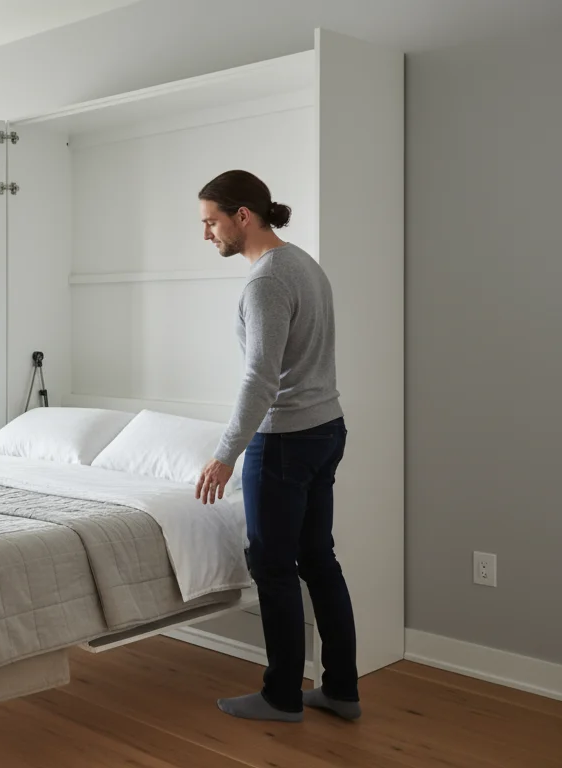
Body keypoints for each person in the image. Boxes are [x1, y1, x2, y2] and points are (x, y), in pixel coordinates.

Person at [192, 170, 362, 723]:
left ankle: (282, 695)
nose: (207, 234)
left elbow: (259, 380)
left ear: (244, 216)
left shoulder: (266, 280)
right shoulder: (304, 264)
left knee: (273, 565)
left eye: (211, 221)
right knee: (318, 559)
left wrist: (225, 453)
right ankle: (340, 690)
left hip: (286, 438)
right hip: (326, 428)